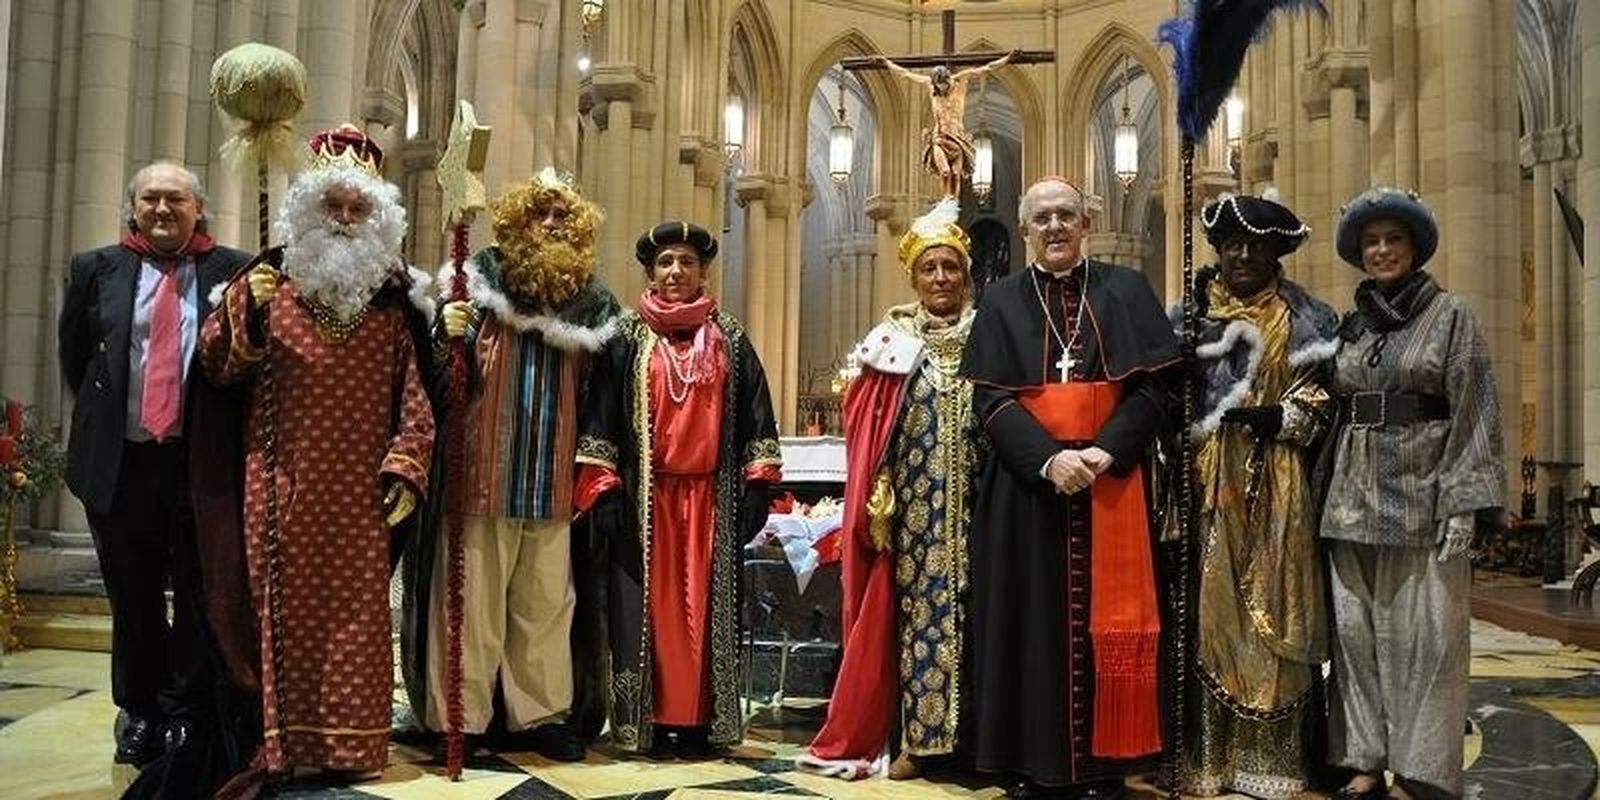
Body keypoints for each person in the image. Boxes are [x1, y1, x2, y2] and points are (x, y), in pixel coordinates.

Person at [198, 124, 436, 781]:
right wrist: (246, 314)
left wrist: (406, 466)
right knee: (277, 612)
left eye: (359, 208)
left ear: (378, 219)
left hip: (360, 497)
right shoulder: (266, 283)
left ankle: (349, 748)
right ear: (309, 208)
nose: (345, 218)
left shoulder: (391, 307)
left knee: (355, 623)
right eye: (334, 204)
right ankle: (282, 745)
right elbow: (216, 367)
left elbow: (416, 398)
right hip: (279, 484)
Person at [959, 177, 1180, 799]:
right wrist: (1049, 460)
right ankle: (1035, 764)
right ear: (1025, 229)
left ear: (1087, 223)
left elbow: (1158, 387)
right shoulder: (1001, 301)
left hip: (1113, 482)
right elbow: (991, 399)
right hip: (1028, 490)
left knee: (1107, 626)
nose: (1054, 227)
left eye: (1066, 215)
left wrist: (1109, 449)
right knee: (1029, 623)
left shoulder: (1126, 290)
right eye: (1042, 218)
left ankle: (1108, 765)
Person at [400, 168, 620, 760]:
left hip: (552, 476)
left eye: (562, 216)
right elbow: (437, 381)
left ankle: (541, 716)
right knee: (470, 604)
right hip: (481, 471)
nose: (551, 223)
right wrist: (445, 334)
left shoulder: (593, 304)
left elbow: (603, 396)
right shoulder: (476, 284)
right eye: (539, 213)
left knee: (545, 605)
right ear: (516, 222)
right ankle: (461, 718)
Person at [57, 161, 253, 765]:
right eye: (150, 200)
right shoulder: (95, 268)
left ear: (199, 209)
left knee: (197, 593)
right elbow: (77, 358)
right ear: (133, 208)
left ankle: (185, 711)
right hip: (123, 463)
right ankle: (140, 708)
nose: (162, 209)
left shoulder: (235, 270)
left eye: (175, 199)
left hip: (200, 465)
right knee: (133, 593)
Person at [1321, 188, 1505, 800]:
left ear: (1415, 247)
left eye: (1393, 239)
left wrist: (1464, 502)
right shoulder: (1352, 324)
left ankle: (1420, 769)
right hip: (1350, 498)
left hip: (1422, 495)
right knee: (1355, 638)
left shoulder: (1451, 314)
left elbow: (1475, 409)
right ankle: (1363, 758)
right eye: (1371, 241)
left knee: (1427, 643)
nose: (1381, 250)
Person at [574, 221, 782, 757]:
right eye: (665, 262)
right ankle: (647, 721)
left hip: (711, 501)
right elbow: (600, 415)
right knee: (649, 615)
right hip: (646, 502)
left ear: (702, 271)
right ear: (650, 272)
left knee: (702, 615)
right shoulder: (625, 337)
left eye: (686, 262)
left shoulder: (730, 338)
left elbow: (757, 412)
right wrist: (605, 487)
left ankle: (699, 722)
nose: (675, 271)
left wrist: (758, 485)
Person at [800, 199, 982, 781]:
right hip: (915, 518)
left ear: (966, 274)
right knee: (918, 623)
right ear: (913, 277)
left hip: (981, 512)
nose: (941, 278)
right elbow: (868, 423)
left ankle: (980, 746)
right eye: (929, 268)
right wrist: (878, 488)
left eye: (950, 267)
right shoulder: (891, 341)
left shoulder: (989, 335)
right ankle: (919, 743)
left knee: (982, 623)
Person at [1179, 194, 1338, 799]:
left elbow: (1326, 400)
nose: (1243, 255)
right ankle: (1211, 757)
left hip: (1278, 481)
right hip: (1209, 484)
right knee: (1211, 612)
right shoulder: (1189, 320)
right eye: (1232, 245)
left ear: (1276, 253)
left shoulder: (1306, 321)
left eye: (1257, 246)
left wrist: (1283, 418)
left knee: (1275, 605)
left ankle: (1272, 759)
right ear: (1218, 251)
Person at [876, 51, 1016, 197]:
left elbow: (987, 68)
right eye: (939, 87)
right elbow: (905, 74)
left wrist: (1008, 59)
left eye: (945, 86)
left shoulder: (961, 80)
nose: (942, 90)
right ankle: (946, 201)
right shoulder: (931, 86)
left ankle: (952, 203)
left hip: (957, 139)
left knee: (955, 174)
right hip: (940, 138)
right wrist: (886, 63)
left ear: (949, 80)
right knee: (945, 172)